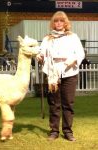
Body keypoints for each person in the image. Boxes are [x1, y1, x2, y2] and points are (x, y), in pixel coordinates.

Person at [36, 11, 85, 141]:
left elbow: (80, 53)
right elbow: (41, 52)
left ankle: (68, 131)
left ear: (65, 23)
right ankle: (54, 131)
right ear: (53, 23)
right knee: (54, 103)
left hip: (69, 72)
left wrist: (73, 60)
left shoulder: (73, 37)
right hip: (52, 74)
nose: (58, 23)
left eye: (61, 21)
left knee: (68, 104)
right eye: (56, 21)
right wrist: (39, 56)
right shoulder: (47, 38)